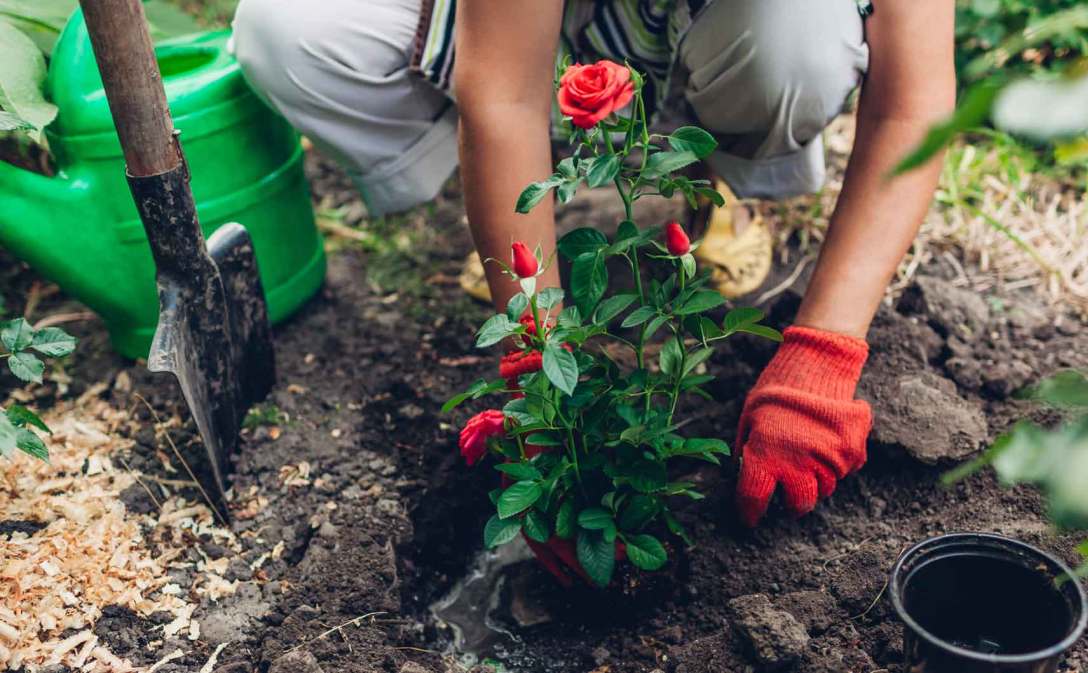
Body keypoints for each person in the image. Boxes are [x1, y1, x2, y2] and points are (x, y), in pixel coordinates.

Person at [231, 0, 956, 528]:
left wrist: (823, 348)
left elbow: (913, 105)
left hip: (736, 33)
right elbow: (506, 92)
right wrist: (538, 358)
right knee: (291, 31)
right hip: (545, 26)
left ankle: (717, 185)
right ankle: (511, 225)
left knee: (792, 43)